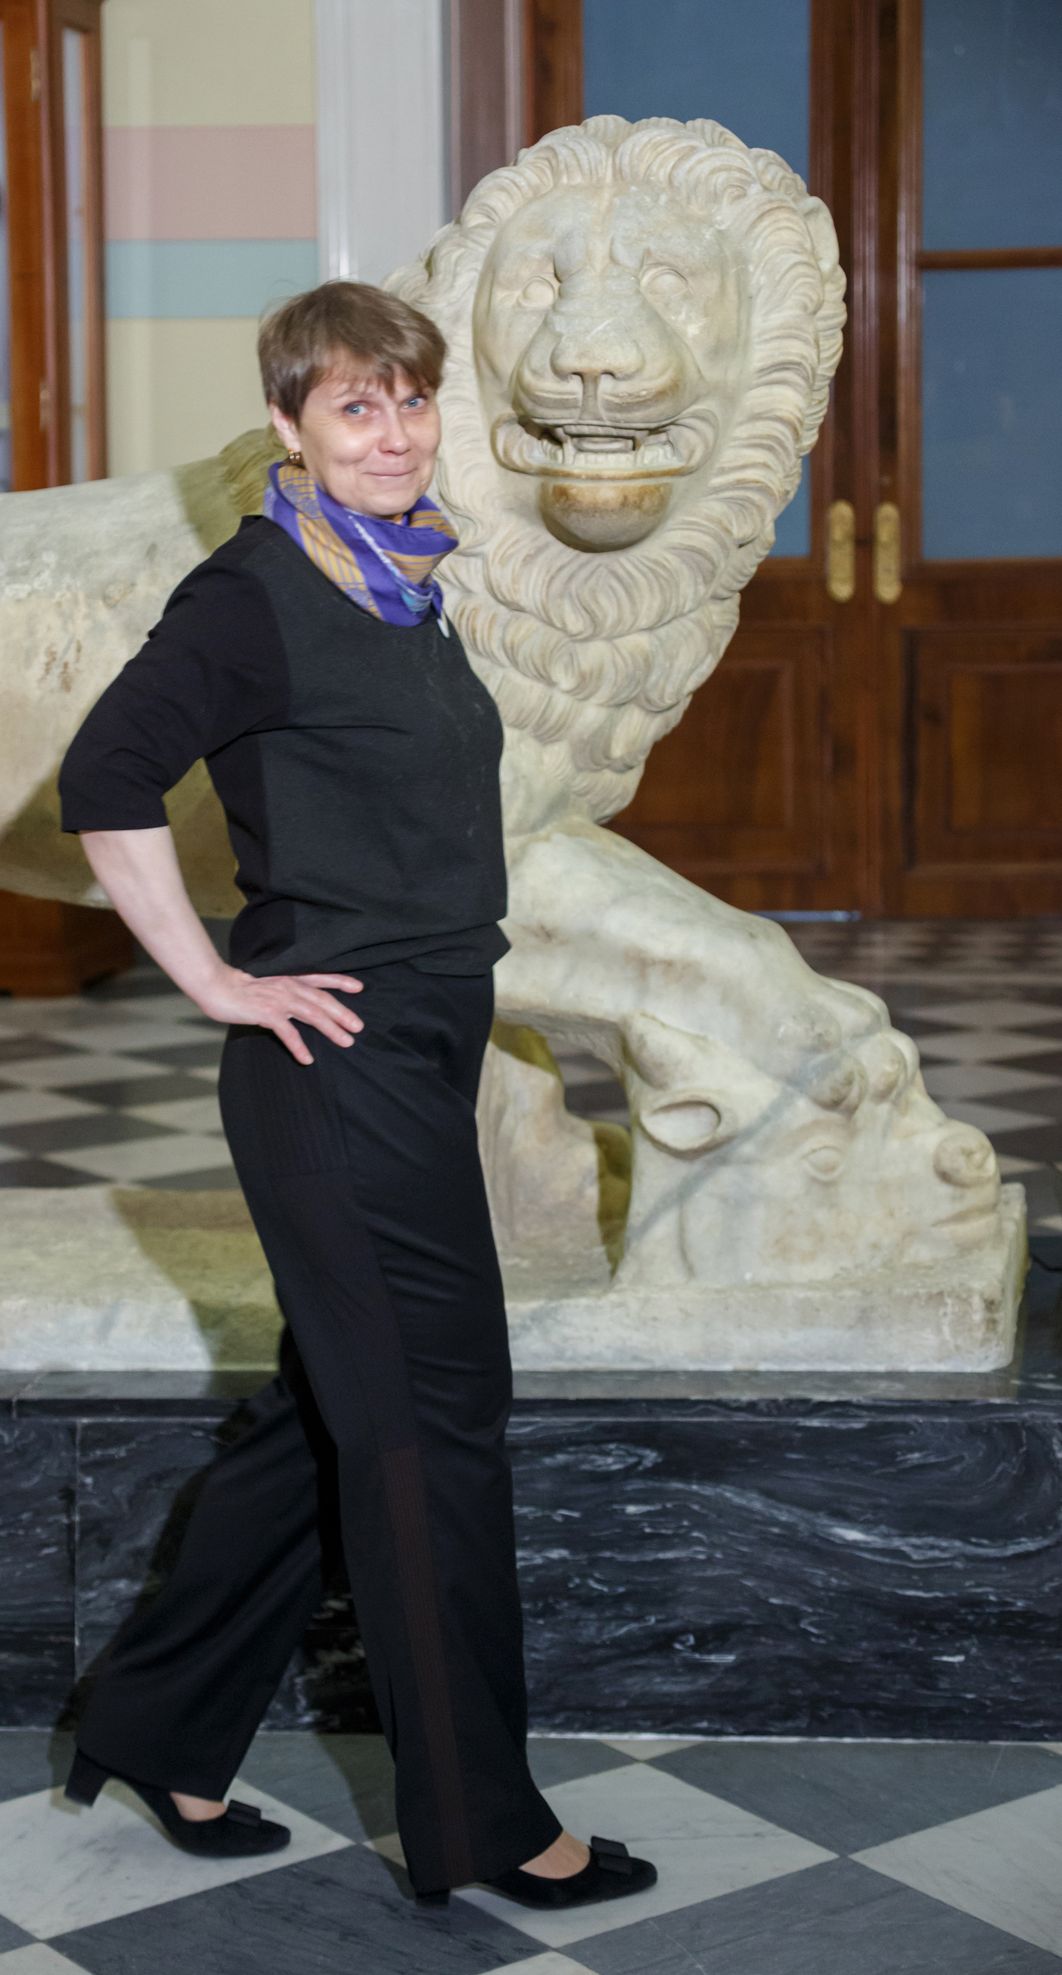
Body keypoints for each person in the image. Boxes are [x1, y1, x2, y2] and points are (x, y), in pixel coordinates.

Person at [54, 279, 657, 1912]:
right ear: (289, 426)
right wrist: (215, 979)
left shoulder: (400, 583)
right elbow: (106, 777)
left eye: (409, 400)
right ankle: (484, 1821)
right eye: (353, 406)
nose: (391, 434)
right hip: (334, 1065)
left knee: (326, 1415)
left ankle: (158, 1727)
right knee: (433, 1428)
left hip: (416, 1048)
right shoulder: (254, 592)